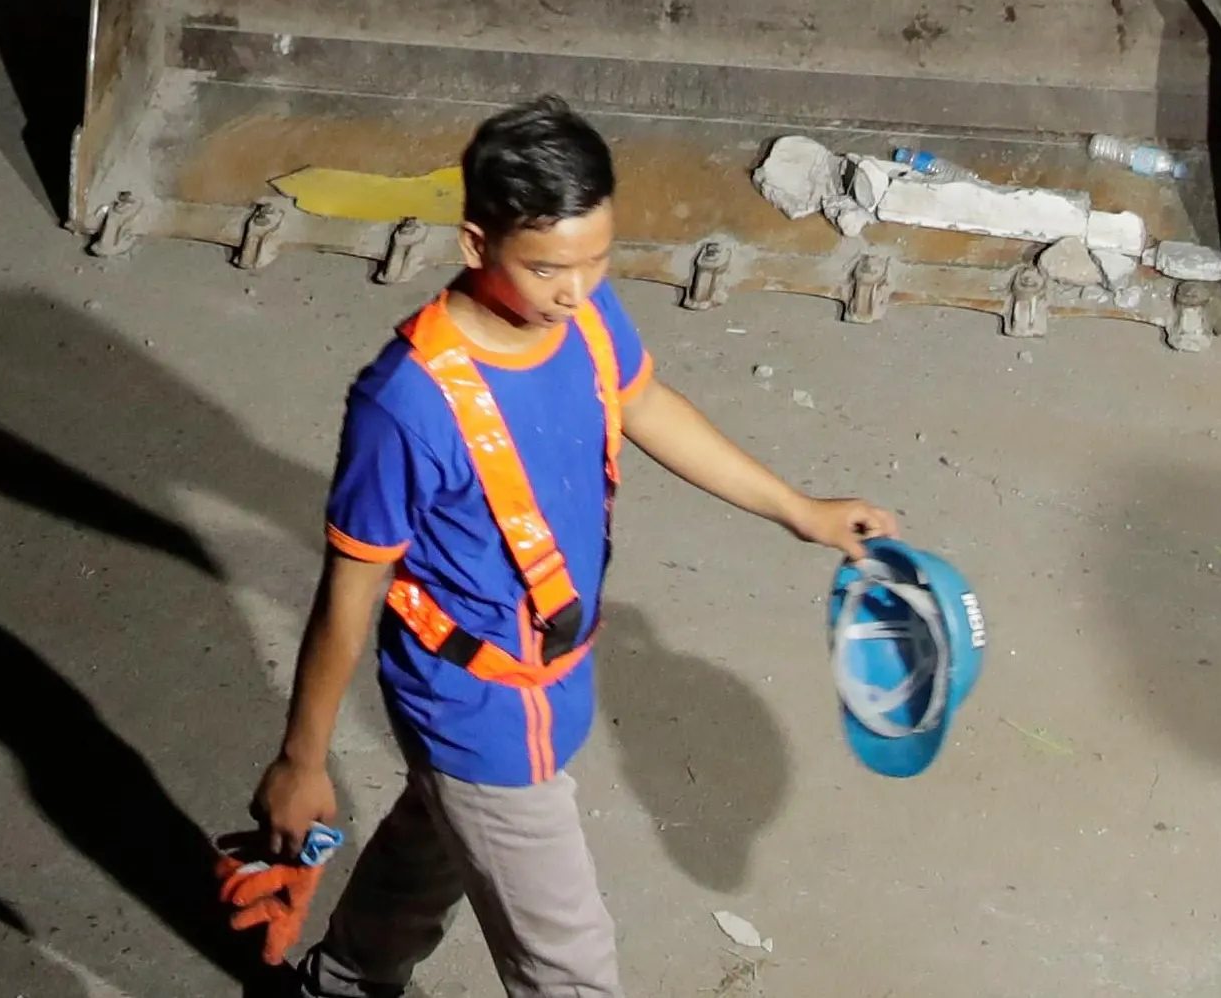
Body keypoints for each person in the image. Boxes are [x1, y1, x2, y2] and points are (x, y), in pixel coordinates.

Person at [254, 97, 898, 998]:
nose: (578, 289)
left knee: (433, 849)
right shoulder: (408, 405)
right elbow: (347, 594)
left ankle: (341, 985)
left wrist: (799, 509)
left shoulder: (586, 316)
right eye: (551, 268)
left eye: (599, 258)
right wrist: (302, 760)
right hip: (475, 704)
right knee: (570, 971)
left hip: (555, 679)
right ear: (477, 244)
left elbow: (646, 404)